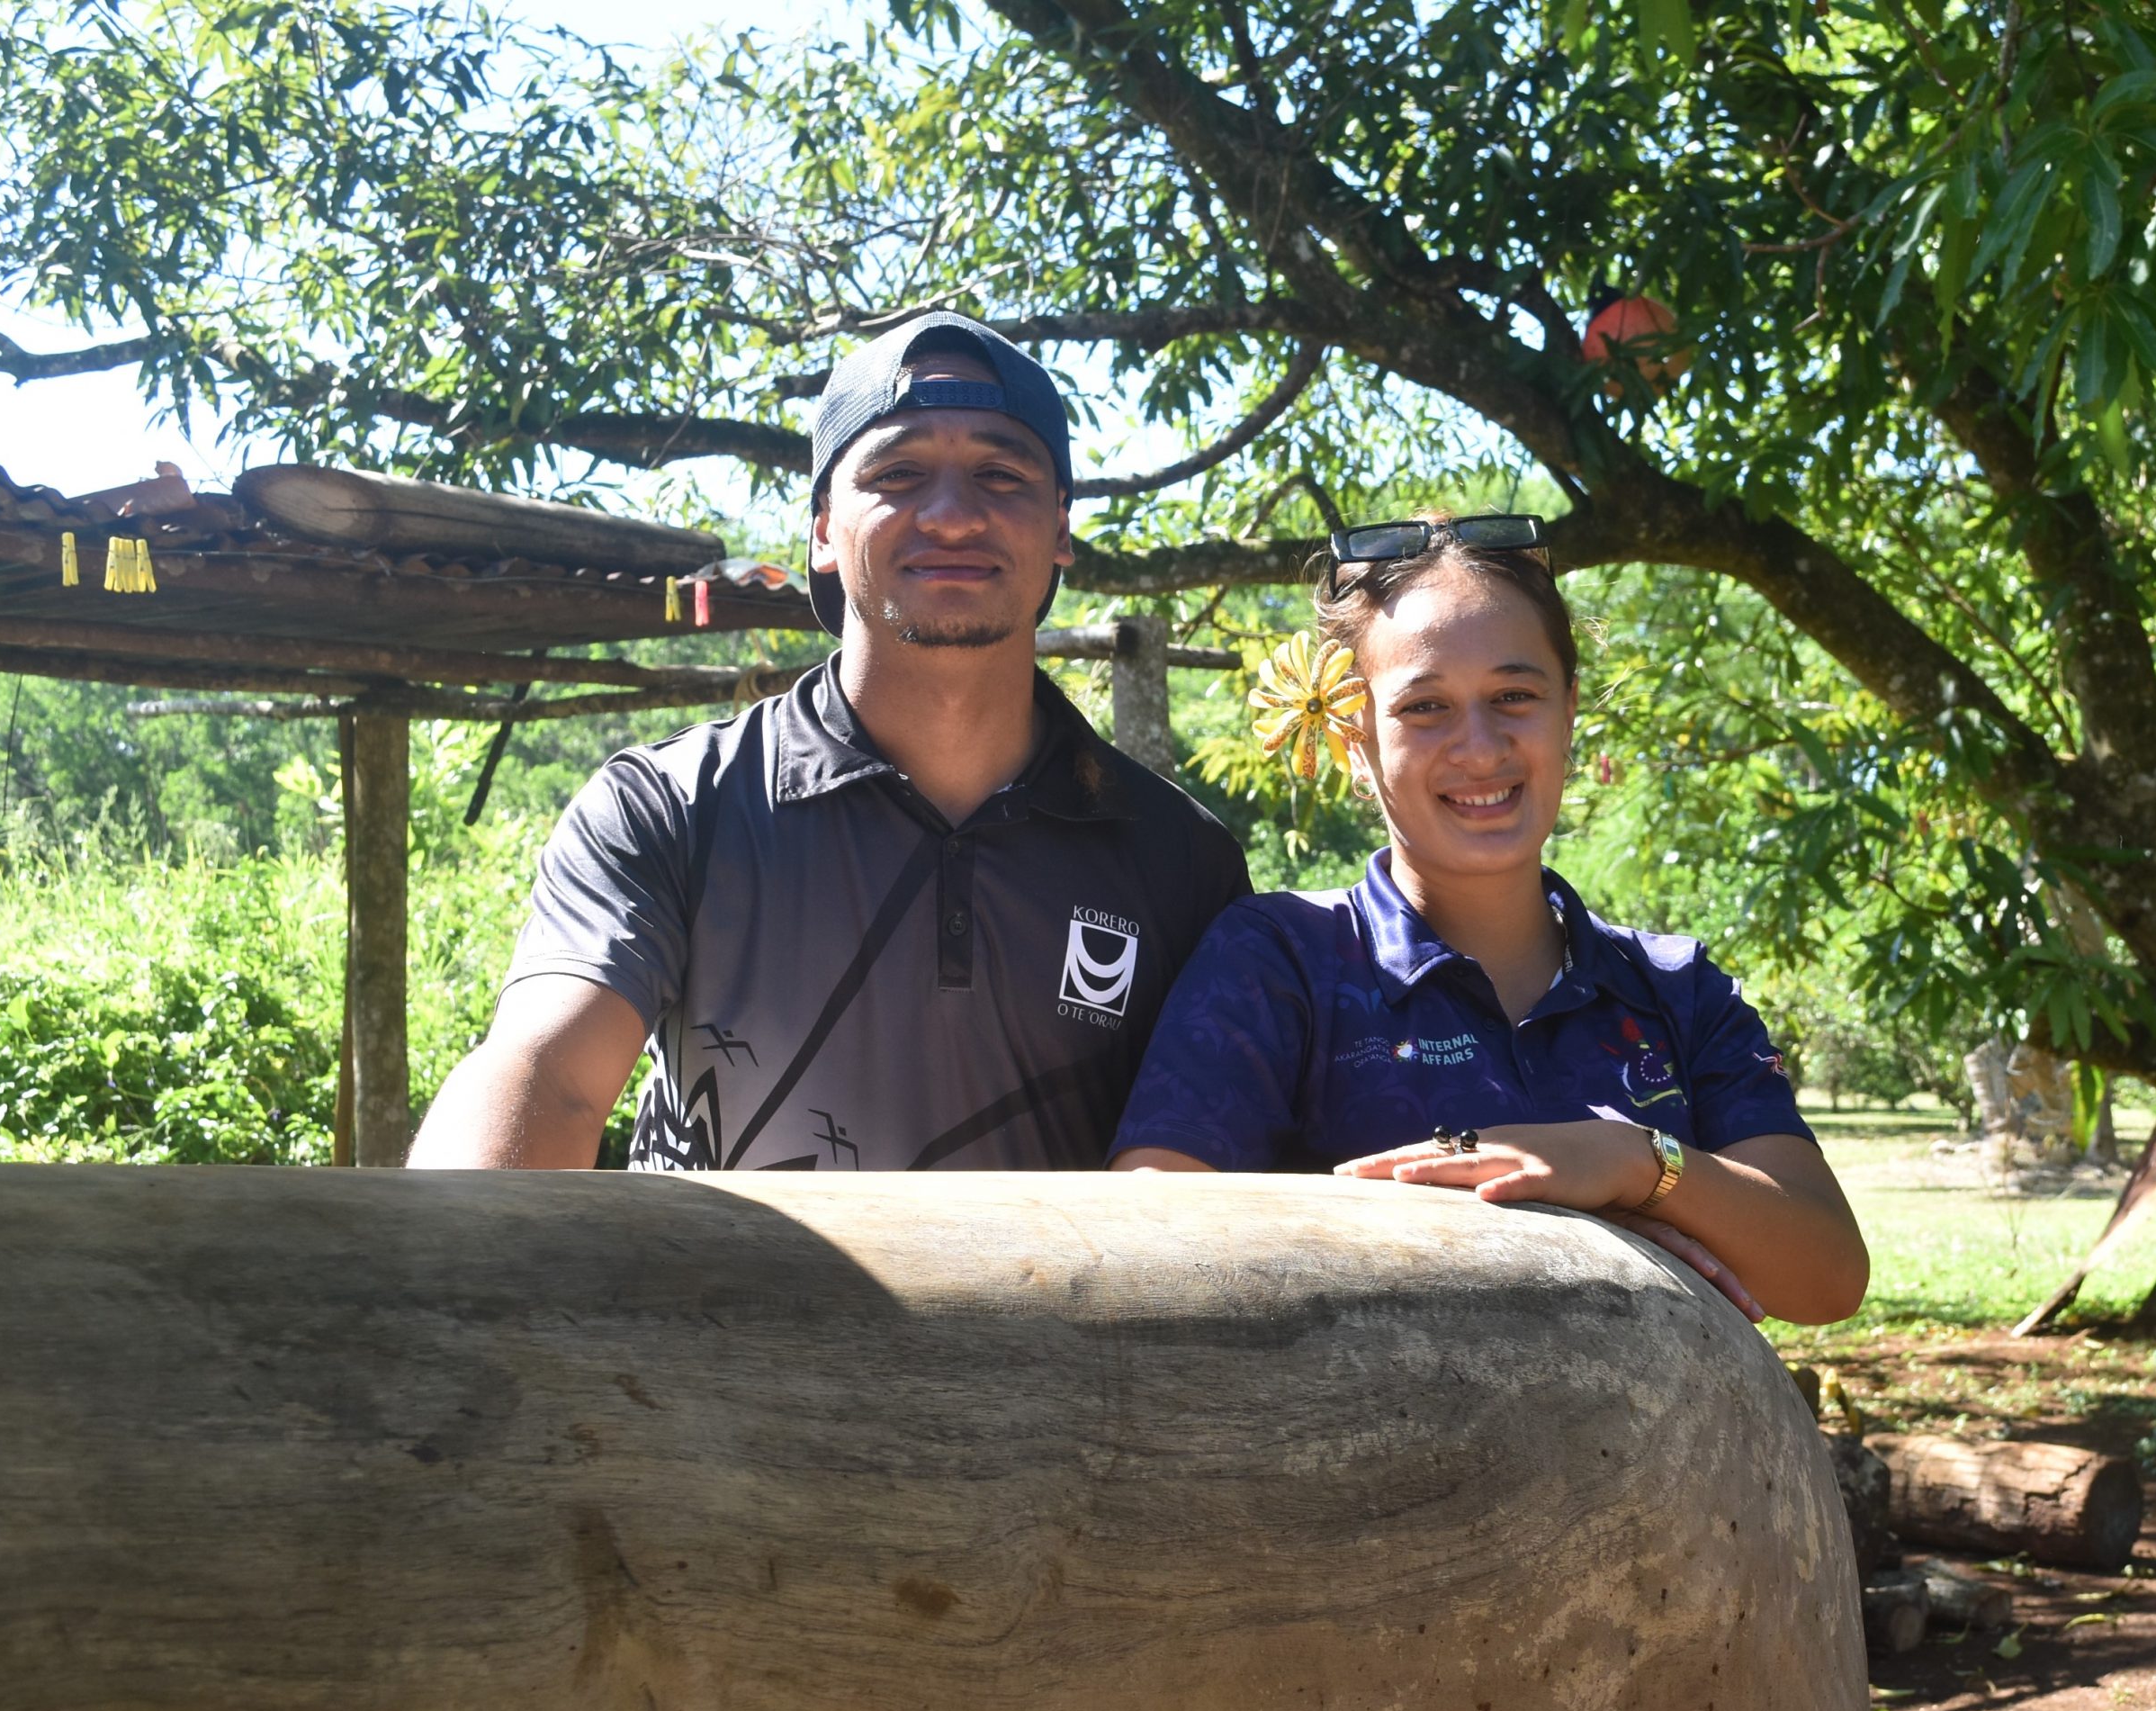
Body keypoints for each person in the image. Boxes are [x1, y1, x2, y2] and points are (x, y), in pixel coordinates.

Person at [410, 311, 1248, 1172]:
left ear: (1063, 527)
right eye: (899, 472)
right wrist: (444, 1262)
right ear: (820, 530)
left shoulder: (1183, 863)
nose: (955, 515)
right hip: (721, 1312)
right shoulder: (669, 809)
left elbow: (1222, 1162)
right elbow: (551, 1077)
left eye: (1001, 474)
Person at [1109, 512, 1867, 1325]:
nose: (1479, 746)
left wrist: (1634, 1162)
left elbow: (1825, 1276)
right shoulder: (1277, 964)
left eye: (1514, 695)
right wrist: (1543, 1236)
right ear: (1355, 740)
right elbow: (1151, 1242)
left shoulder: (1678, 990)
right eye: (1425, 707)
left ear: (1569, 709)